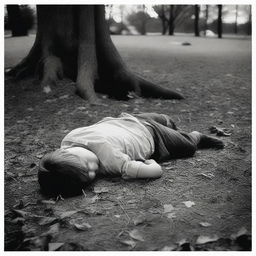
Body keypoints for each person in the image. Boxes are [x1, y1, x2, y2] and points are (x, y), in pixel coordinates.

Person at [38, 112, 224, 196]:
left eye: (88, 167)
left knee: (177, 135)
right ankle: (195, 137)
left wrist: (151, 164)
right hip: (140, 126)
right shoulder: (69, 139)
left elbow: (155, 171)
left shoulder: (111, 161)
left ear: (68, 153)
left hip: (145, 129)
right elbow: (154, 171)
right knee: (186, 145)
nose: (95, 171)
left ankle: (172, 126)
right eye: (90, 177)